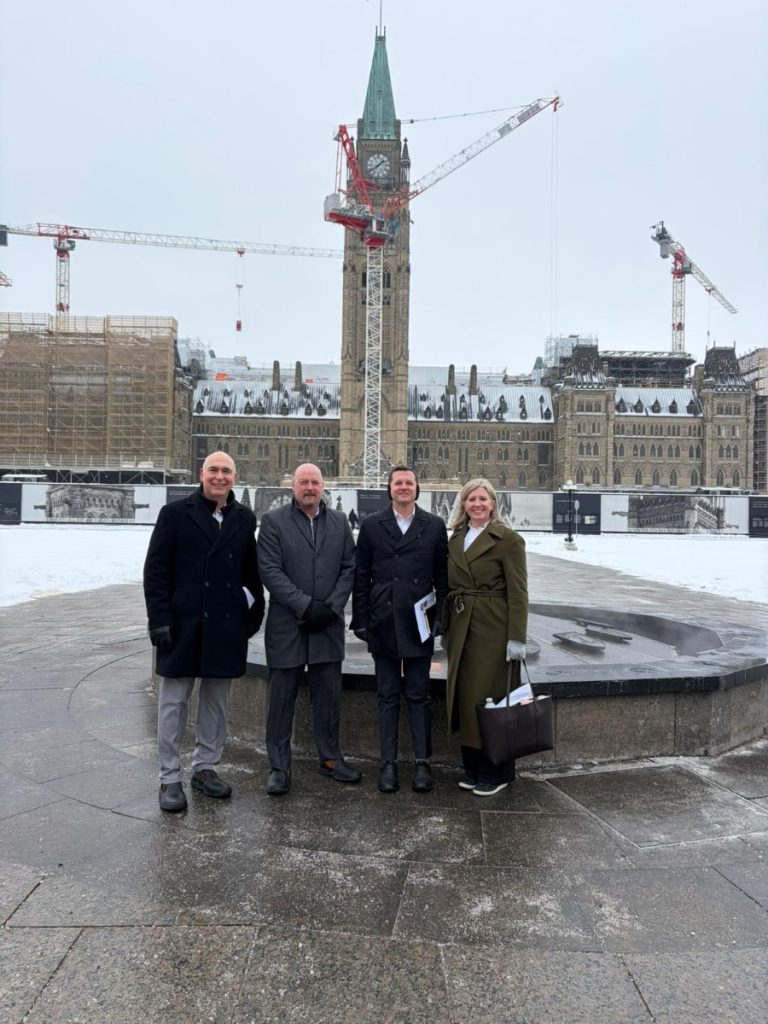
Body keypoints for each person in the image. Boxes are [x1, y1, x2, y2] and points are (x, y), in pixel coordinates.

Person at [143, 451, 264, 813]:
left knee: (215, 703)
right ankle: (169, 777)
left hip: (224, 625)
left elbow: (250, 572)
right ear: (202, 474)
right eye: (214, 470)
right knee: (173, 704)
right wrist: (159, 620)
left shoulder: (244, 518)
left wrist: (252, 613)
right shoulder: (175, 514)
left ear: (234, 477)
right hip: (183, 624)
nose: (219, 476)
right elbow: (156, 571)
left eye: (226, 471)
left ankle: (205, 767)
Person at [257, 462, 360, 795]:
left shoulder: (340, 522)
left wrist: (331, 607)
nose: (310, 488)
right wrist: (305, 605)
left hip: (327, 624)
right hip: (288, 624)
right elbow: (270, 571)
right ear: (293, 486)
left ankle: (330, 758)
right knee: (281, 700)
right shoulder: (273, 522)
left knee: (328, 697)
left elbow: (350, 567)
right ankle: (279, 766)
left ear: (323, 486)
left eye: (315, 482)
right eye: (304, 482)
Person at [351, 465, 448, 794]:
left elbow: (442, 578)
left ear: (416, 489)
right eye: (398, 483)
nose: (404, 487)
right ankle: (388, 763)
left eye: (409, 483)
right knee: (388, 695)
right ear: (389, 489)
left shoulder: (434, 525)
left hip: (419, 622)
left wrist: (440, 618)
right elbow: (361, 576)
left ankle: (422, 763)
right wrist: (361, 619)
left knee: (419, 695)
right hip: (383, 618)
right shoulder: (372, 525)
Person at [444, 478, 528, 797]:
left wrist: (516, 637)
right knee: (466, 697)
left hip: (493, 628)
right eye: (471, 499)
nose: (477, 504)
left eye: (482, 498)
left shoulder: (508, 540)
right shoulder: (456, 538)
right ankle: (473, 767)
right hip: (461, 625)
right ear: (463, 504)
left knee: (490, 698)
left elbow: (519, 593)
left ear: (493, 503)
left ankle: (498, 771)